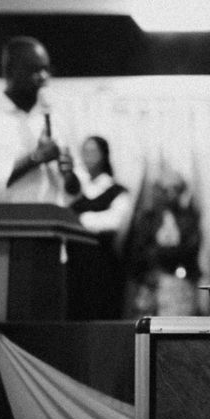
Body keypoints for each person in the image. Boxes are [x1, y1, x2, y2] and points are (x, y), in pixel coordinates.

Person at [0, 36, 79, 203]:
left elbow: (74, 193)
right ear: (10, 71)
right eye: (35, 69)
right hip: (3, 224)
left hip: (51, 222)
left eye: (46, 69)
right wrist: (34, 158)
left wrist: (70, 176)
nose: (43, 77)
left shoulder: (56, 118)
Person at [70, 136, 132, 318]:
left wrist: (79, 219)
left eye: (93, 151)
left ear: (104, 155)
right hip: (75, 263)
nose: (88, 156)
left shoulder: (117, 191)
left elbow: (114, 222)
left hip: (103, 264)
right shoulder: (75, 190)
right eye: (85, 151)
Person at [126, 169, 202, 317]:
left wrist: (160, 253)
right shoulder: (147, 219)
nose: (170, 194)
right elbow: (138, 251)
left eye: (175, 189)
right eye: (165, 189)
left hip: (179, 284)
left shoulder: (189, 219)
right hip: (150, 284)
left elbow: (190, 250)